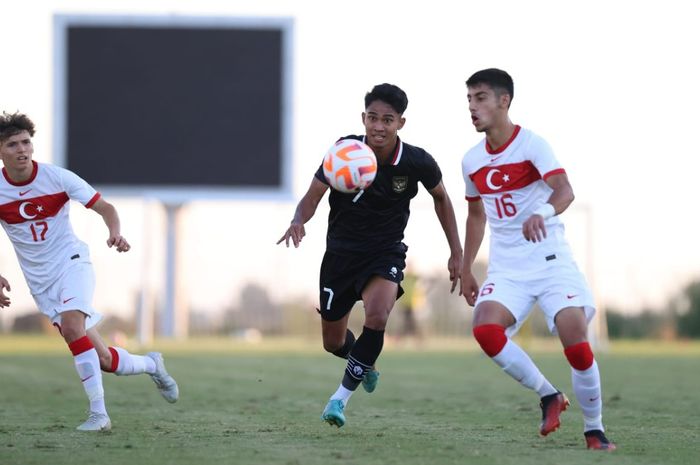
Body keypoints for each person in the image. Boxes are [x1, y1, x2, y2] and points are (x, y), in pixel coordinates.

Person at [278, 83, 462, 427]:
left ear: (401, 123)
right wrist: (298, 220)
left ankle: (338, 400)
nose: (379, 126)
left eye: (387, 120)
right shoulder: (343, 151)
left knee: (377, 317)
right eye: (373, 118)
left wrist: (457, 252)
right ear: (364, 118)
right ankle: (367, 364)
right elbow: (313, 194)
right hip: (340, 256)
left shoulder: (416, 161)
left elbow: (442, 199)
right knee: (333, 343)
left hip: (385, 253)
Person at [459, 69, 616, 451]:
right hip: (507, 267)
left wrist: (541, 214)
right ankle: (548, 395)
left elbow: (565, 191)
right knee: (485, 329)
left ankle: (594, 430)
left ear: (503, 101)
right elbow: (476, 215)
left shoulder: (532, 145)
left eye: (480, 98)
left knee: (576, 340)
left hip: (549, 260)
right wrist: (465, 267)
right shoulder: (471, 161)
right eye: (468, 100)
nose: (472, 107)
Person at [0, 111, 179, 432]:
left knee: (72, 328)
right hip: (41, 282)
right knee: (104, 361)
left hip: (72, 262)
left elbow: (105, 207)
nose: (22, 149)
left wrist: (115, 231)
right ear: (1, 151)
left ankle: (99, 415)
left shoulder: (57, 177)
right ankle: (153, 364)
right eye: (12, 144)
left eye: (26, 142)